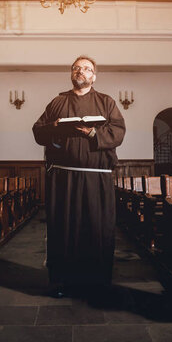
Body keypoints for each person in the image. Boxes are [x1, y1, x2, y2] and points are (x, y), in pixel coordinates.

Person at [32, 55, 126, 297]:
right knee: (63, 229)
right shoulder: (58, 101)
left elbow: (118, 131)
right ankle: (61, 282)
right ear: (71, 73)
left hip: (97, 178)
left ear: (94, 76)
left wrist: (94, 133)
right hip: (63, 179)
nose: (80, 72)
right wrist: (55, 128)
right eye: (76, 68)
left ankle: (98, 283)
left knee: (97, 228)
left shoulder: (106, 102)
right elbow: (38, 130)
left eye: (86, 69)